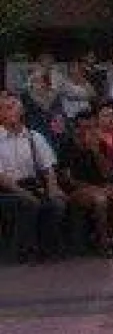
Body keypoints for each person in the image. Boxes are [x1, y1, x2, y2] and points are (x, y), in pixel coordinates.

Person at [0, 91, 68, 261]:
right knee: (27, 203)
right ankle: (25, 251)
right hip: (6, 189)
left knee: (56, 203)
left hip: (31, 185)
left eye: (14, 108)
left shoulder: (34, 137)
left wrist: (52, 188)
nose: (11, 112)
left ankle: (49, 250)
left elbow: (48, 168)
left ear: (22, 112)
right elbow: (2, 178)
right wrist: (27, 195)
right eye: (6, 108)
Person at [57, 111, 113, 256]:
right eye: (83, 128)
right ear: (76, 128)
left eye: (91, 128)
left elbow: (106, 174)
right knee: (100, 200)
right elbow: (67, 179)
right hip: (77, 188)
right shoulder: (67, 145)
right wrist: (93, 188)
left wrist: (96, 152)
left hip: (101, 185)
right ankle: (102, 242)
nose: (87, 132)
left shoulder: (99, 144)